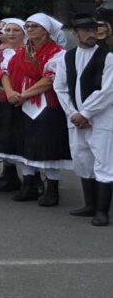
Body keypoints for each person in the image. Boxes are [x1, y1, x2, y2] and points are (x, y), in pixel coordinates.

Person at [0, 13, 70, 205]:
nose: (30, 30)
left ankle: (52, 189)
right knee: (23, 142)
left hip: (45, 104)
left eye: (35, 27)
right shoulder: (20, 52)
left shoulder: (57, 53)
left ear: (46, 31)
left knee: (47, 144)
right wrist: (10, 92)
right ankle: (28, 185)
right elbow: (4, 71)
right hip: (19, 102)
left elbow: (49, 79)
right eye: (28, 26)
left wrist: (23, 95)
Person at [54, 14, 113, 226]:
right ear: (76, 33)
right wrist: (73, 113)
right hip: (76, 118)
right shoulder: (66, 57)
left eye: (94, 30)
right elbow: (60, 87)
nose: (91, 34)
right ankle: (90, 204)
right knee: (83, 158)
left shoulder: (108, 57)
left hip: (102, 119)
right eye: (86, 31)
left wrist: (86, 113)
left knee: (104, 162)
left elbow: (108, 91)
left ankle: (102, 210)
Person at [0, 18, 27, 191]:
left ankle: (33, 178)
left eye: (14, 30)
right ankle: (10, 174)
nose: (9, 34)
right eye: (6, 30)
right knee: (4, 134)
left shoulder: (28, 51)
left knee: (23, 135)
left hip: (22, 97)